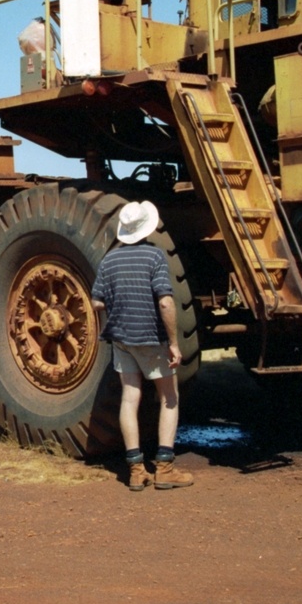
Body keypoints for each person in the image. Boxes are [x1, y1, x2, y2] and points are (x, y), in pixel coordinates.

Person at [90, 200, 193, 491]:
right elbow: (165, 300)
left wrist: (116, 305)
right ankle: (164, 468)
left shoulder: (109, 261)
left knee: (129, 399)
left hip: (122, 340)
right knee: (169, 398)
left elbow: (96, 302)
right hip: (151, 339)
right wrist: (173, 343)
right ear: (146, 229)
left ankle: (136, 471)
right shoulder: (155, 257)